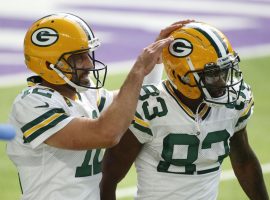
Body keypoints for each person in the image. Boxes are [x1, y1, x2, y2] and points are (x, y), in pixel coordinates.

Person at [6, 13, 192, 200]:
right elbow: (106, 133)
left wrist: (155, 61)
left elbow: (135, 103)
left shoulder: (85, 94)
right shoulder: (32, 103)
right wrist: (138, 70)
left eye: (87, 53)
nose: (88, 63)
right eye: (77, 58)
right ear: (48, 64)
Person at [100, 22, 269, 200]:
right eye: (212, 74)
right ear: (182, 75)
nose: (222, 81)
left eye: (225, 70)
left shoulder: (233, 103)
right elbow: (108, 178)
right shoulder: (149, 108)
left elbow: (244, 161)